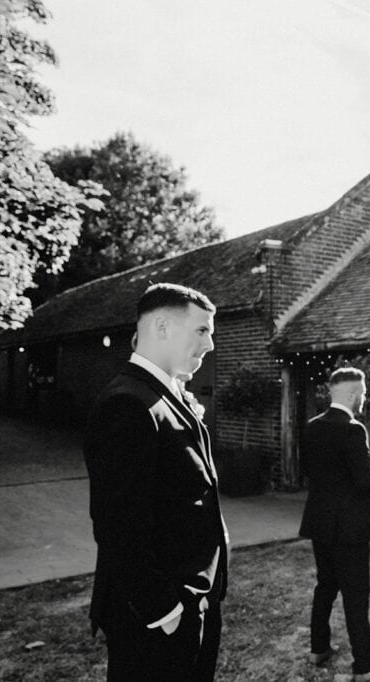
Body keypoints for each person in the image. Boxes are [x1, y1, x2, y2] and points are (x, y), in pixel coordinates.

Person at [84, 283, 228, 681]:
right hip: (156, 621)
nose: (211, 344)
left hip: (192, 605)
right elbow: (117, 527)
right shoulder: (127, 405)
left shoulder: (163, 395)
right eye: (202, 330)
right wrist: (165, 613)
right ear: (162, 326)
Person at [298, 367, 370, 681]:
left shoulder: (312, 427)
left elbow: (312, 471)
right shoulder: (354, 429)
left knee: (326, 586)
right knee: (356, 596)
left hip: (319, 521)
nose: (365, 397)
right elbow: (362, 478)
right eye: (364, 392)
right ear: (353, 394)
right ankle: (365, 667)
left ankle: (318, 648)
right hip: (348, 528)